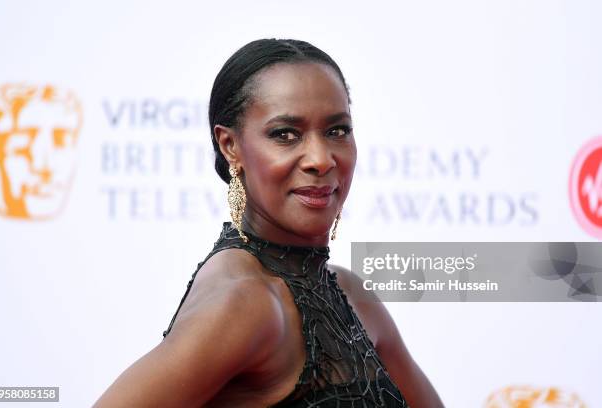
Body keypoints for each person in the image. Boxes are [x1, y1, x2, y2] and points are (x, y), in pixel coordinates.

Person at [93, 38, 444, 408]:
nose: (320, 159)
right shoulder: (244, 302)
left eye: (336, 130)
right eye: (285, 135)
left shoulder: (351, 294)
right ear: (230, 146)